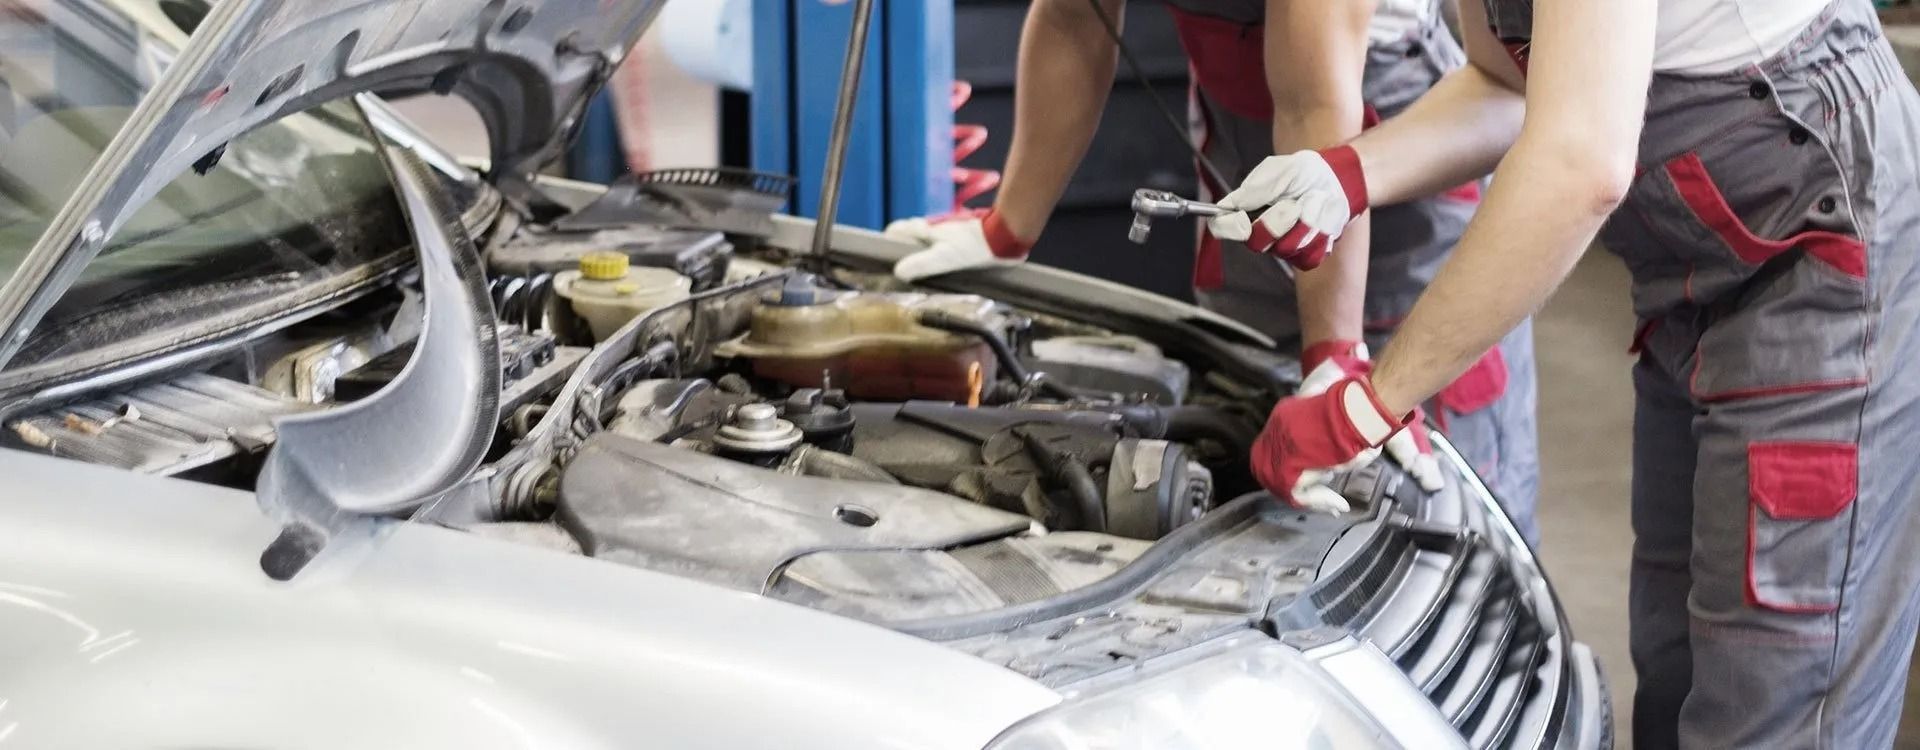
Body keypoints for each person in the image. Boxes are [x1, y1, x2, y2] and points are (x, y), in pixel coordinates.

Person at [1220, 0, 1920, 745]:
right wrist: (1348, 173)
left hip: (1823, 258)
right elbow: (1509, 88)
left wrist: (1365, 408)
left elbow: (1581, 162)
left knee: (1773, 699)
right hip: (1695, 280)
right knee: (1676, 654)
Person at [884, 0, 1542, 544]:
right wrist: (1009, 227)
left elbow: (1315, 105)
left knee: (1437, 513)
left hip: (1387, 157)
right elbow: (1072, 18)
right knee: (1250, 452)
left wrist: (1337, 358)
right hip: (1246, 150)